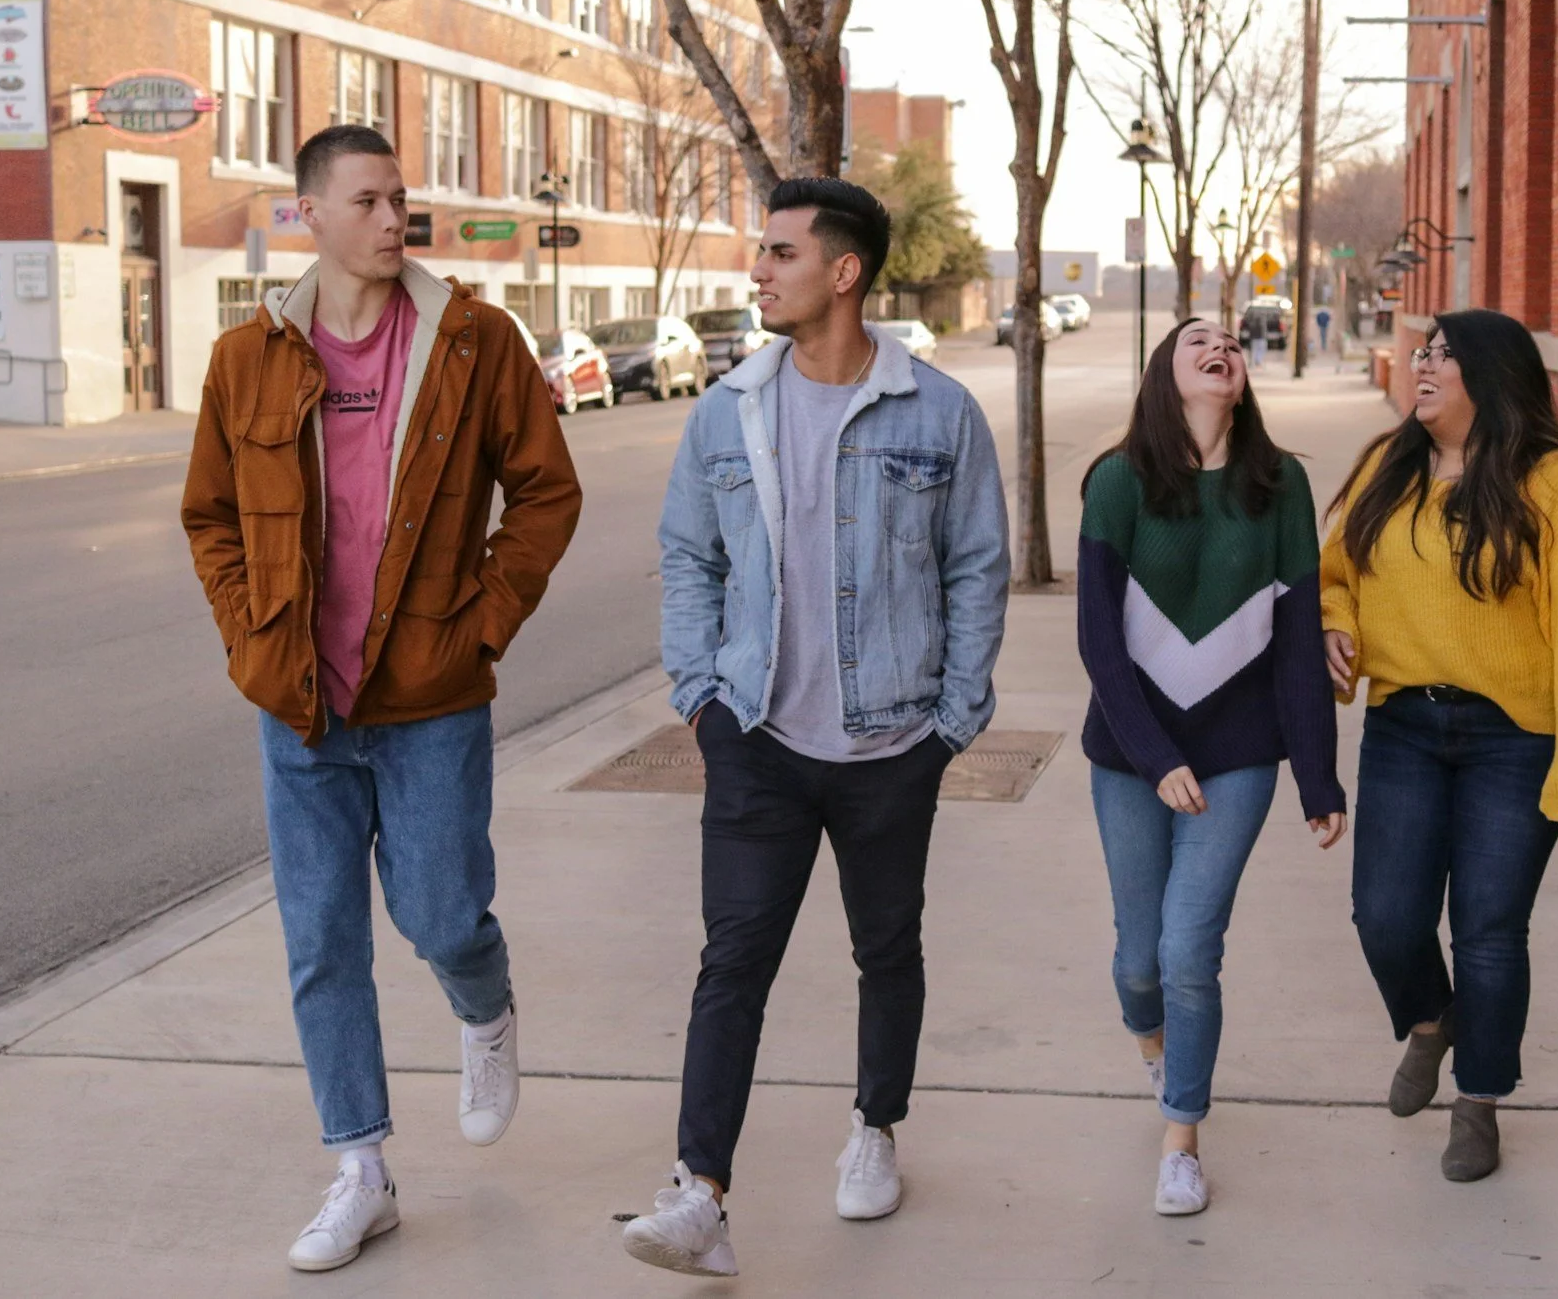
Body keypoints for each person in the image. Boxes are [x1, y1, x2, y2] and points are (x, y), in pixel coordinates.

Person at [179, 124, 581, 1272]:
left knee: (443, 914)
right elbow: (210, 514)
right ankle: (360, 1166)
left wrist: (484, 620)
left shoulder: (471, 341)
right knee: (320, 940)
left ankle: (485, 1008)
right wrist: (250, 631)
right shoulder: (247, 356)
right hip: (300, 703)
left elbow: (546, 493)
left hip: (431, 698)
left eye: (400, 197)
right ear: (309, 212)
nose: (392, 218)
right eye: (367, 199)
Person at [626, 176, 1010, 1278]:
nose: (758, 271)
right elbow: (690, 555)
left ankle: (874, 1126)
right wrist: (700, 695)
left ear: (842, 273)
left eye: (779, 253)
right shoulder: (726, 406)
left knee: (884, 947)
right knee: (732, 957)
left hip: (893, 743)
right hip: (755, 737)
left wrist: (952, 717)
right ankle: (700, 1191)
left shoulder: (937, 412)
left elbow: (977, 564)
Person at [1320, 308, 1558, 1184]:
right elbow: (1335, 573)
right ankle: (1430, 1022)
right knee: (1385, 916)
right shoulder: (1388, 466)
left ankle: (1481, 1100)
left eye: (1444, 356)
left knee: (1490, 931)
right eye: (1422, 351)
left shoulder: (1555, 482)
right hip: (1404, 725)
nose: (1422, 366)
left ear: (1490, 376)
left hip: (1515, 737)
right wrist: (1333, 626)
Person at [1076, 319, 1347, 1216]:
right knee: (1136, 961)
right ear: (1166, 372)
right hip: (1130, 754)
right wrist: (1155, 760)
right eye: (1197, 339)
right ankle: (1158, 1046)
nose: (1220, 346)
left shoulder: (1282, 485)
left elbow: (1302, 640)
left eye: (1232, 340)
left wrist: (1317, 776)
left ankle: (1181, 1134)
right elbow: (1099, 645)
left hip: (1236, 756)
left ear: (1242, 377)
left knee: (1189, 948)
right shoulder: (1118, 482)